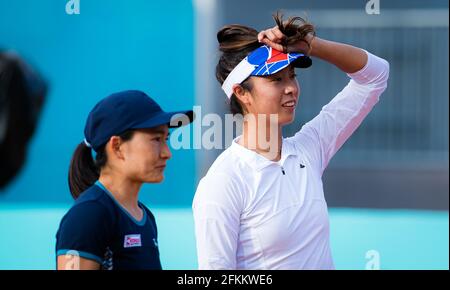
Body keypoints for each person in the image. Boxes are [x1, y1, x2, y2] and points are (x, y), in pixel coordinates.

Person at [193, 14, 389, 269]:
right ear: (242, 93)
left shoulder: (308, 149)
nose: (291, 88)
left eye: (292, 76)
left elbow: (375, 75)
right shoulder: (224, 180)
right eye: (276, 79)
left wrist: (310, 45)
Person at [56, 90, 193, 270]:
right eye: (156, 139)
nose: (167, 153)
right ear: (117, 146)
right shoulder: (86, 216)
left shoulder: (146, 217)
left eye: (166, 139)